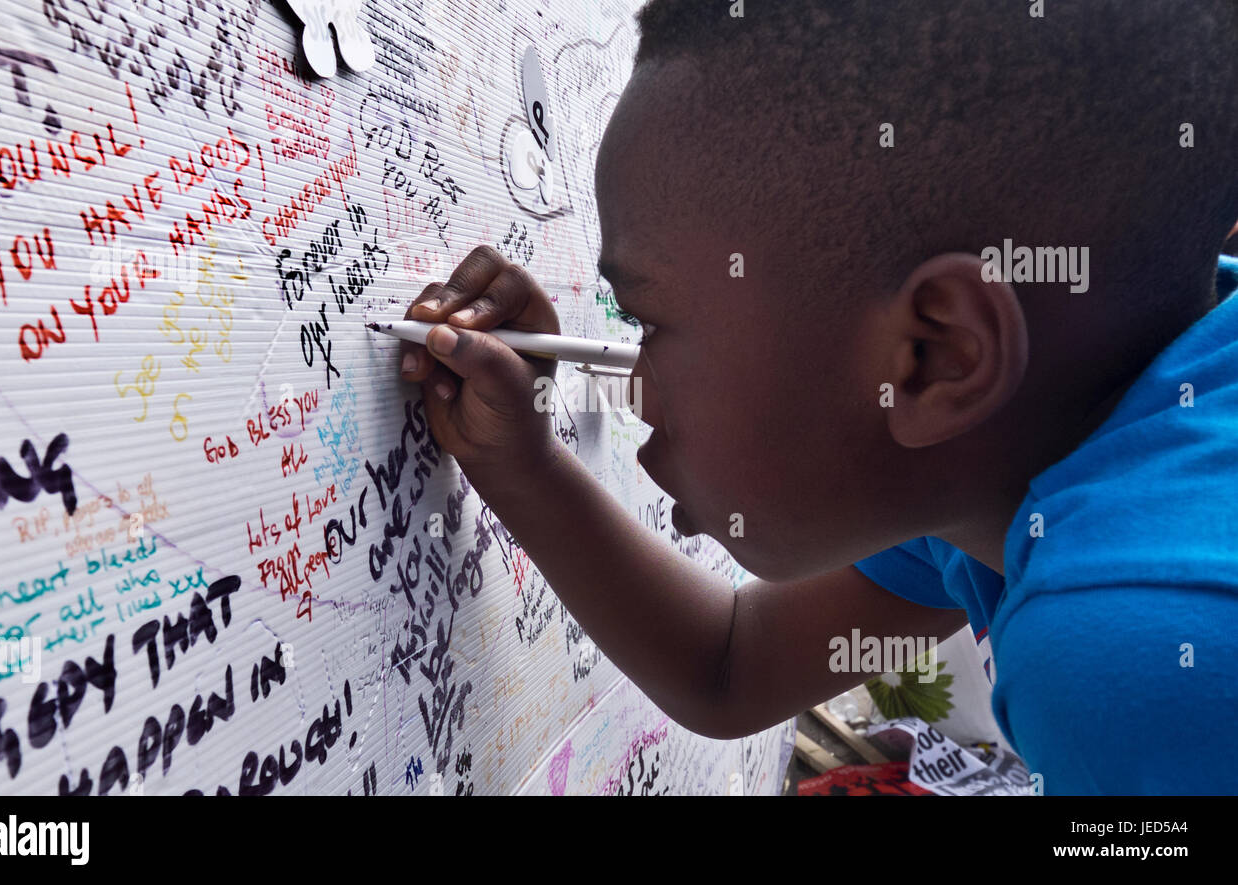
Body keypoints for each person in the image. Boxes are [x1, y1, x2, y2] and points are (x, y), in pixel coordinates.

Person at [394, 0, 1238, 794]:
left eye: (647, 321)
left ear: (934, 357)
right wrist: (523, 463)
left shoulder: (1142, 647)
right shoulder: (998, 461)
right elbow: (732, 664)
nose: (632, 382)